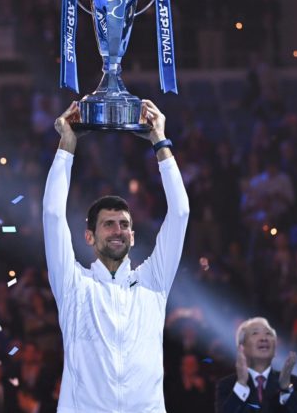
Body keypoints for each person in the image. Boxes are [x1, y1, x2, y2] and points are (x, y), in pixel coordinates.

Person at [43, 100, 190, 412]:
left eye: (124, 225)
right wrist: (67, 145)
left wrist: (159, 141)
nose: (117, 230)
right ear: (90, 237)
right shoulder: (73, 285)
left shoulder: (153, 281)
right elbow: (53, 215)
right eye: (108, 224)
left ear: (133, 237)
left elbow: (180, 212)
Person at [215, 317, 297, 413]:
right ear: (242, 348)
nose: (264, 338)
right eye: (255, 333)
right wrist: (241, 384)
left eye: (268, 333)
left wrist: (285, 388)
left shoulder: (293, 383)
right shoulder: (227, 385)